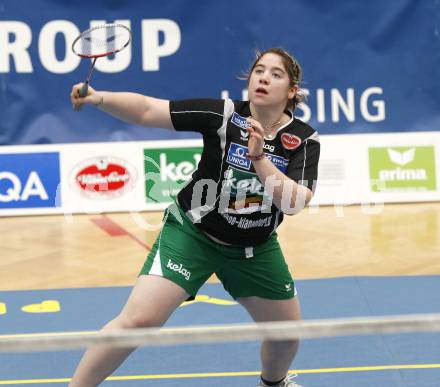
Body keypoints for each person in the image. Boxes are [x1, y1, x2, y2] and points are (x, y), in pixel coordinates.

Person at [69, 47, 320, 387]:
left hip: (253, 249)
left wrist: (259, 158)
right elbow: (147, 110)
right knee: (139, 320)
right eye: (259, 70)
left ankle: (273, 384)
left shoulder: (302, 139)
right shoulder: (223, 116)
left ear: (292, 91)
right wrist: (99, 98)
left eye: (276, 74)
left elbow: (294, 203)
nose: (264, 77)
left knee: (286, 335)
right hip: (193, 235)